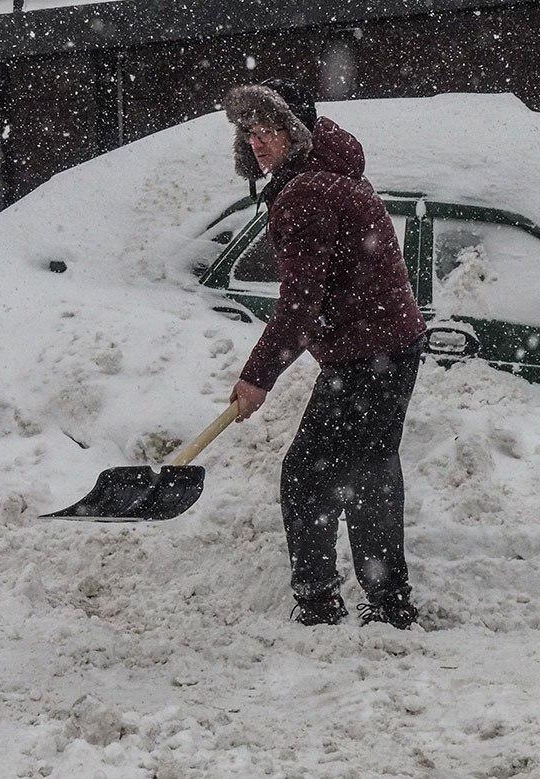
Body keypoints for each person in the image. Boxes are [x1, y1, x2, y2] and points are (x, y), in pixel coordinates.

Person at [221, 79, 427, 629]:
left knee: (307, 475)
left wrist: (257, 377)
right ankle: (388, 601)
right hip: (389, 345)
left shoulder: (307, 192)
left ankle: (319, 602)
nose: (258, 141)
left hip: (368, 353)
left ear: (296, 131)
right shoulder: (327, 174)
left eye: (269, 128)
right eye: (249, 131)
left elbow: (299, 305)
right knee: (370, 470)